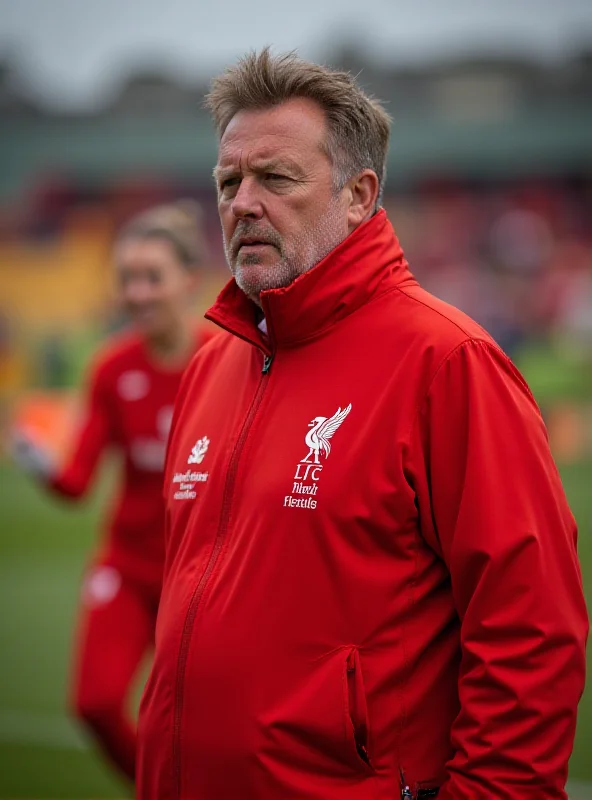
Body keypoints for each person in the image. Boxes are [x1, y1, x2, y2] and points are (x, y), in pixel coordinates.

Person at [136, 51, 588, 800]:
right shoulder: (211, 362)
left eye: (275, 178)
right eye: (227, 182)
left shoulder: (448, 363)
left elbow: (531, 632)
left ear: (358, 195)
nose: (242, 202)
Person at [11, 200, 213, 784]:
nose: (138, 292)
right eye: (126, 279)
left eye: (152, 277)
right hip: (127, 567)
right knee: (94, 705)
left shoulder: (225, 360)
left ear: (188, 280)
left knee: (204, 724)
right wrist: (37, 457)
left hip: (200, 576)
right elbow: (77, 485)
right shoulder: (110, 367)